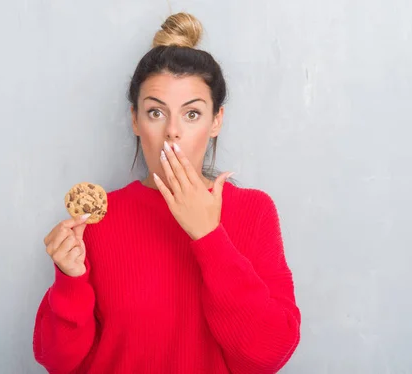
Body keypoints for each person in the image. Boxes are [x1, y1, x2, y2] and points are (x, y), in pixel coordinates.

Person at [33, 12, 301, 374]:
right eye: (156, 112)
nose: (172, 131)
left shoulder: (254, 210)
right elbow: (59, 362)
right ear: (135, 121)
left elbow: (267, 356)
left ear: (216, 121)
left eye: (192, 114)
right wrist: (70, 279)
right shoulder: (98, 220)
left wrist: (208, 236)